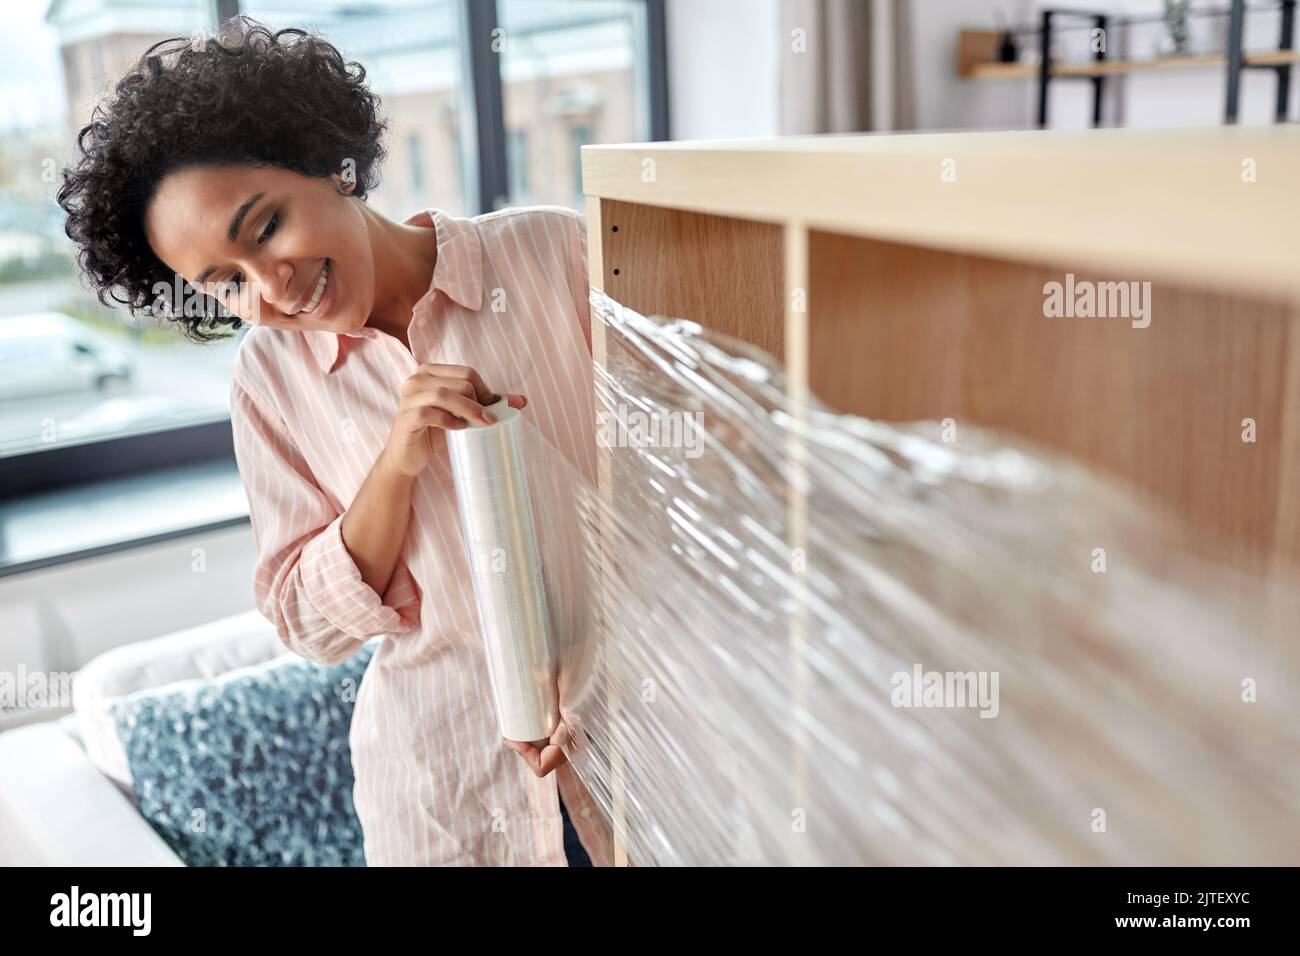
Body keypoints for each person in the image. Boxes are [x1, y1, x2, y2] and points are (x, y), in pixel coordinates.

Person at [58, 16, 610, 867]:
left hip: (630, 747)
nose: (269, 287)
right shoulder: (270, 384)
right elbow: (307, 626)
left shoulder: (554, 254)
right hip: (449, 797)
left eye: (266, 226)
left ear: (328, 160)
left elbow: (673, 491)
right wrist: (396, 463)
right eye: (224, 283)